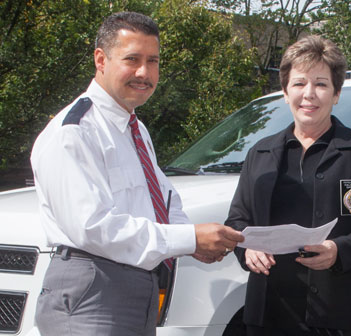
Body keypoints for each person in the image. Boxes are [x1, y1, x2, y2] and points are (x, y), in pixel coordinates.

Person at [30, 11, 243, 336]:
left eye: (153, 61)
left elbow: (162, 197)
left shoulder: (134, 128)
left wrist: (190, 241)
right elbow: (95, 227)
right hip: (93, 290)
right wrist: (188, 237)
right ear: (101, 60)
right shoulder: (74, 132)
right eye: (132, 59)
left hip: (137, 288)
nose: (144, 72)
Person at [224, 35, 351, 336]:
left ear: (336, 94)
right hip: (267, 315)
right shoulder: (260, 154)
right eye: (299, 83)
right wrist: (247, 249)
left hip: (338, 317)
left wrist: (338, 249)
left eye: (321, 84)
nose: (309, 94)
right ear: (284, 92)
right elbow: (238, 219)